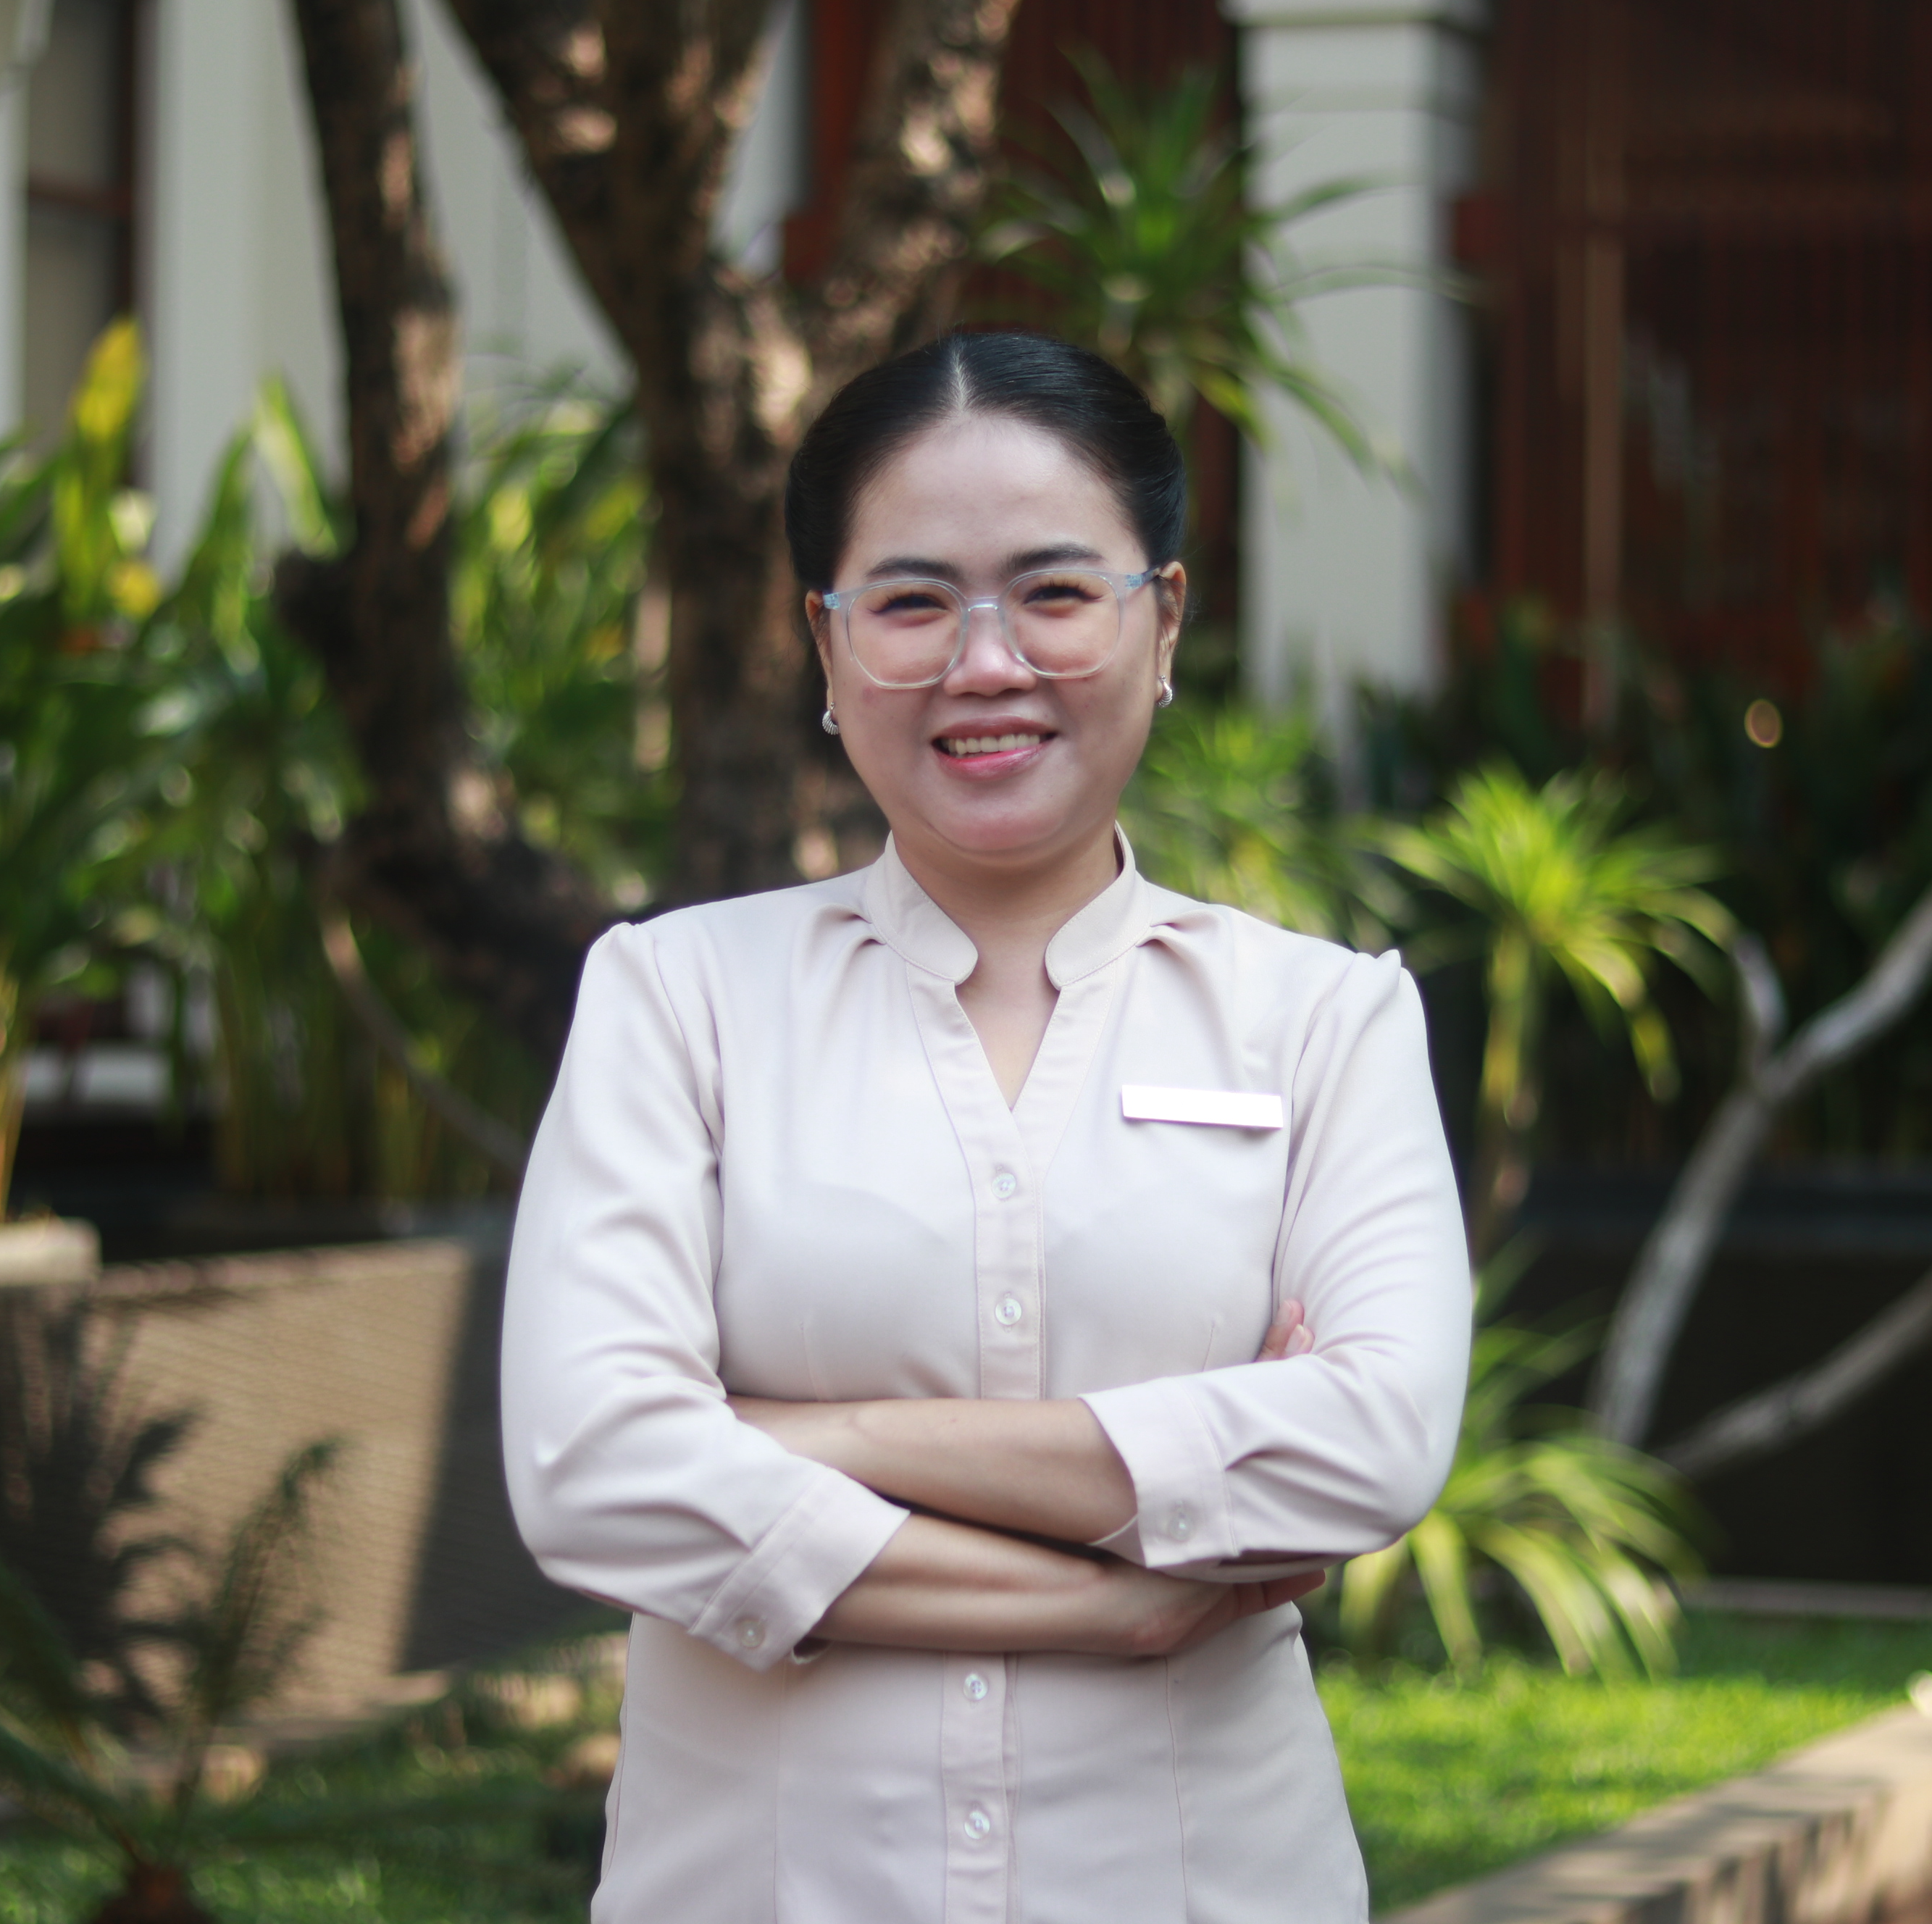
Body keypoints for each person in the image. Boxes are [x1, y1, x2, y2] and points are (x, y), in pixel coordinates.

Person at [501, 332, 1469, 1923]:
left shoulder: (1322, 1020)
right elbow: (591, 1469)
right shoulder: (678, 1000)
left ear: (1164, 619)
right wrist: (1119, 1603)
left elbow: (1370, 1441)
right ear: (826, 646)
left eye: (1055, 590)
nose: (987, 661)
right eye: (911, 601)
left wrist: (796, 1435)